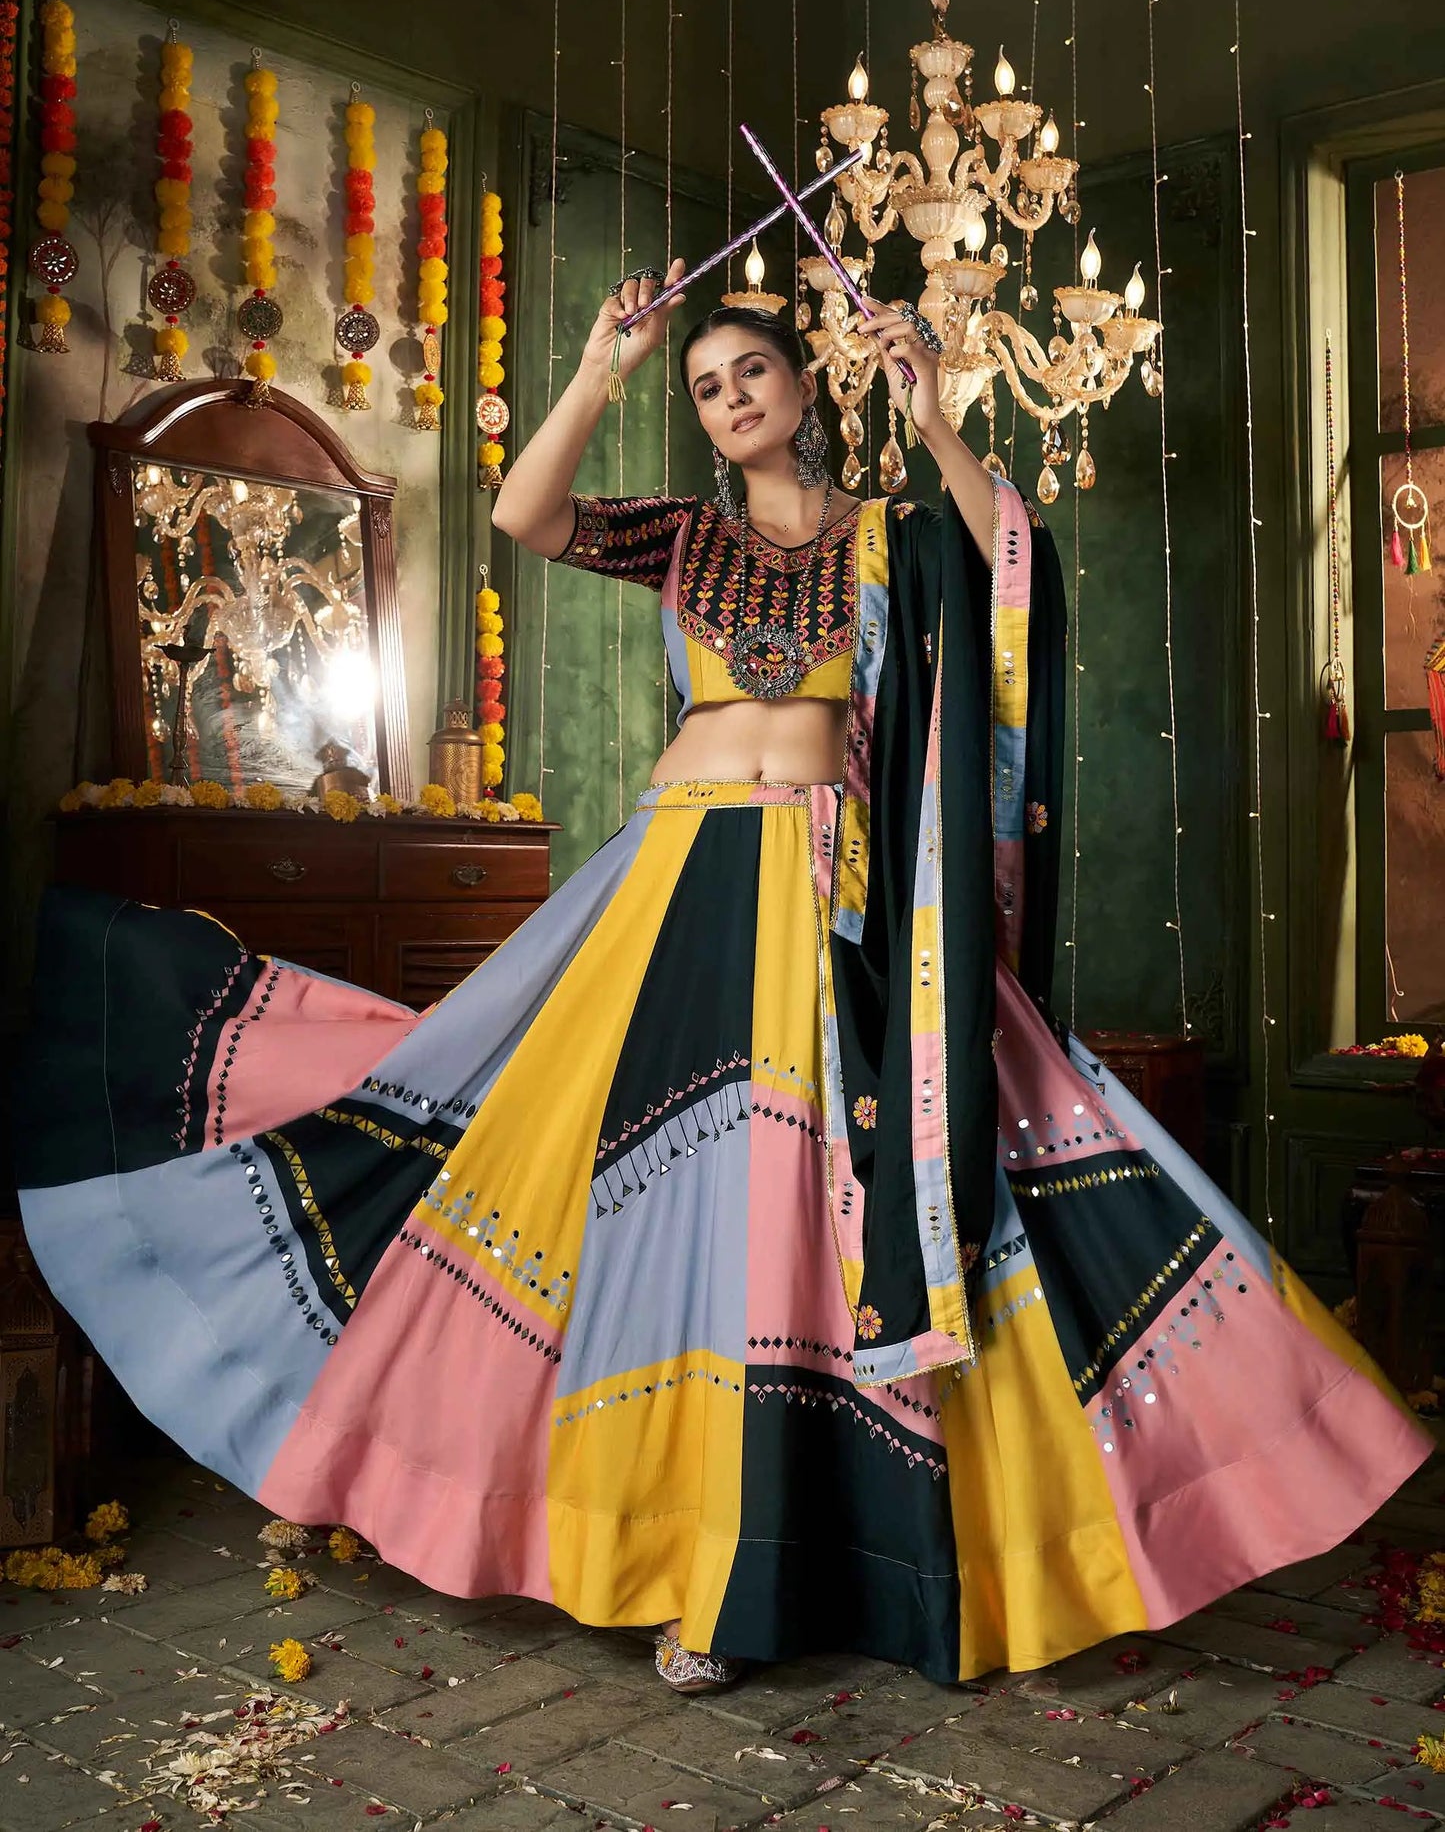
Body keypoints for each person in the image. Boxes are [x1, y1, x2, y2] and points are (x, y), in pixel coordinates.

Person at [17, 264, 1429, 1701]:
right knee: (651, 1202)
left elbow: (1009, 560)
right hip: (682, 876)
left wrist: (933, 410)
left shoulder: (888, 535)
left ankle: (829, 1557)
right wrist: (601, 367)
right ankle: (687, 1565)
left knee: (836, 1206)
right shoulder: (682, 535)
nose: (730, 397)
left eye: (750, 371)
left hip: (836, 891)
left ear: (805, 387)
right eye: (704, 387)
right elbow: (523, 515)